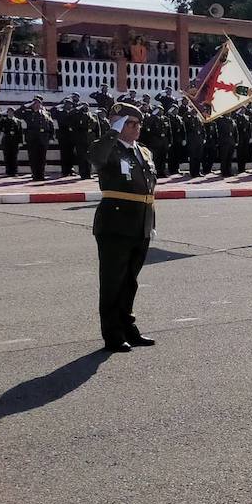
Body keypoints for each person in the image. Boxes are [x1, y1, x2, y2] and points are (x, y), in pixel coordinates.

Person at [91, 103, 158, 352]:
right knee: (112, 282)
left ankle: (128, 327)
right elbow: (96, 158)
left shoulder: (144, 152)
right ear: (117, 125)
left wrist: (150, 223)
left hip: (140, 225)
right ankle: (112, 334)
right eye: (130, 123)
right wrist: (112, 132)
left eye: (138, 123)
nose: (136, 127)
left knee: (130, 281)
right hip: (115, 225)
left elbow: (148, 190)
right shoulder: (108, 149)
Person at [22, 97, 56, 180]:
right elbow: (17, 113)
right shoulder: (28, 113)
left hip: (43, 138)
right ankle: (35, 174)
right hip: (33, 138)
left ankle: (41, 175)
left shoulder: (46, 114)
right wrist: (26, 105)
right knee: (33, 157)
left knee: (42, 158)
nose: (37, 105)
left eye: (38, 103)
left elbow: (51, 125)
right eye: (35, 104)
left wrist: (51, 136)